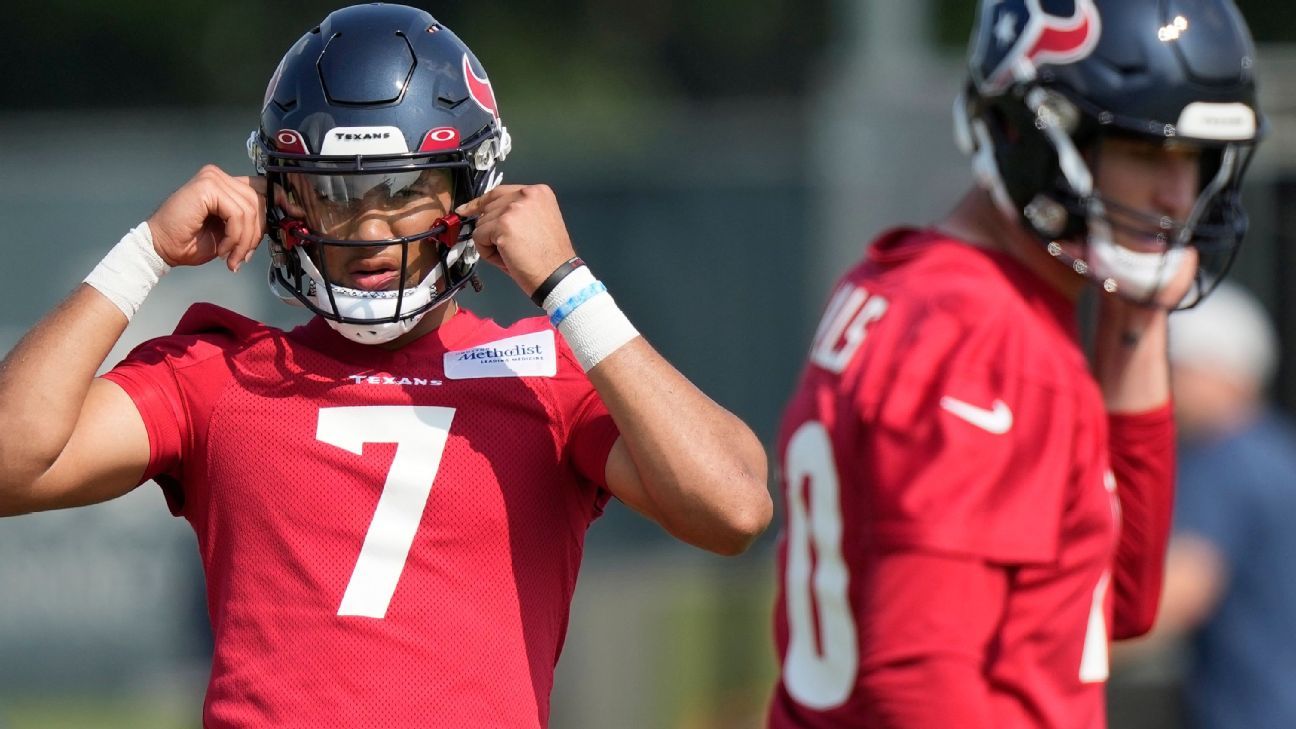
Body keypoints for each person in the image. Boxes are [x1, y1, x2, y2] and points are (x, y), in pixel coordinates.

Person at [0, 5, 771, 727]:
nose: (369, 230)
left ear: (473, 191)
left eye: (403, 191)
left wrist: (568, 284)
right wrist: (143, 254)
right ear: (281, 201)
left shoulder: (544, 370)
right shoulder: (216, 370)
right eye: (335, 194)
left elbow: (733, 506)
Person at [766, 1, 1263, 727]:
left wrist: (1137, 314)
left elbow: (1111, 601)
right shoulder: (989, 337)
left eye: (1195, 160)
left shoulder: (909, 284)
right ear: (1029, 132)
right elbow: (919, 677)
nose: (1177, 199)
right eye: (1146, 152)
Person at [1144, 281, 1296, 729]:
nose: (1163, 380)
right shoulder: (1274, 452)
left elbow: (1182, 593)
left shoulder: (1224, 460)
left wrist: (1048, 645)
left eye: (1174, 366)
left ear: (1216, 369)